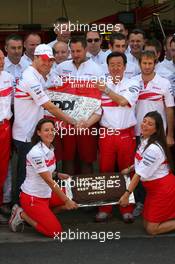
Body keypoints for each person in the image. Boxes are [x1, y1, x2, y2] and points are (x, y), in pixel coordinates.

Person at [12, 44, 75, 203]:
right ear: (36, 58)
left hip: (32, 133)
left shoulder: (37, 75)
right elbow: (49, 106)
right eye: (45, 60)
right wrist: (72, 121)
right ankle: (18, 208)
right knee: (24, 174)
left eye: (51, 61)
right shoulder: (30, 77)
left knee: (32, 173)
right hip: (26, 134)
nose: (48, 63)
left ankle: (29, 207)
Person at [9, 118, 78, 237]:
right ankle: (21, 214)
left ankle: (44, 213)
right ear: (39, 132)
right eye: (46, 130)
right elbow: (49, 181)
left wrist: (57, 174)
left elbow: (47, 171)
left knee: (73, 195)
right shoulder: (36, 153)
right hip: (33, 198)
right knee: (55, 232)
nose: (50, 132)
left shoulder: (50, 147)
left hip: (47, 194)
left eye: (52, 130)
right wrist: (67, 201)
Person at [95, 51, 140, 223]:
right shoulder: (102, 84)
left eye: (119, 64)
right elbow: (97, 112)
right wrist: (84, 122)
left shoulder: (132, 83)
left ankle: (126, 208)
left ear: (125, 66)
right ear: (107, 67)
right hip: (106, 133)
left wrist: (106, 90)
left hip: (125, 134)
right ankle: (105, 208)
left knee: (127, 172)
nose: (115, 68)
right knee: (105, 171)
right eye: (112, 65)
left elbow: (123, 101)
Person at [119, 111, 175, 235]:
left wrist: (126, 194)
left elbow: (139, 175)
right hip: (153, 189)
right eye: (144, 121)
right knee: (146, 224)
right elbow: (142, 161)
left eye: (150, 124)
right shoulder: (145, 140)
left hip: (163, 189)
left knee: (151, 229)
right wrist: (130, 168)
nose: (144, 125)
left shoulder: (153, 149)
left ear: (156, 130)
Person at [0, 49, 14, 218]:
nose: (2, 62)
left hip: (5, 127)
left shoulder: (9, 78)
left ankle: (3, 202)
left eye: (2, 59)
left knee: (4, 166)